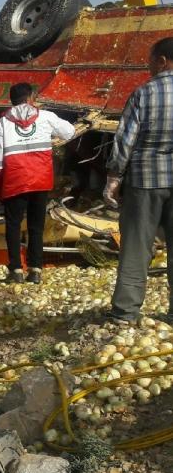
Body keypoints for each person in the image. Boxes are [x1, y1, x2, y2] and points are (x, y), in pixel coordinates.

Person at [104, 37, 173, 324]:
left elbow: (125, 141)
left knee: (136, 245)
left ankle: (125, 313)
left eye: (149, 61)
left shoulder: (144, 93)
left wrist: (113, 178)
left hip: (146, 180)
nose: (148, 67)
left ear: (162, 61)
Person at [0, 83, 75, 284]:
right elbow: (69, 132)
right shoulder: (45, 116)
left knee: (13, 226)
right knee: (36, 226)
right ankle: (35, 270)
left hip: (15, 179)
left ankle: (16, 271)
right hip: (40, 178)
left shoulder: (2, 122)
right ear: (30, 98)